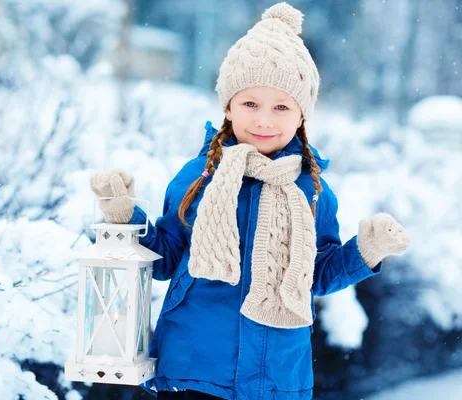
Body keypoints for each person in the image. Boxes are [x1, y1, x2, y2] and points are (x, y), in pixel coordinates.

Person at [89, 2, 410, 399]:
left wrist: (366, 251)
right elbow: (166, 258)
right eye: (250, 104)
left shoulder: (312, 191)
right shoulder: (198, 177)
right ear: (228, 106)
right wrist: (124, 217)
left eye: (280, 107)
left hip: (276, 378)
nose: (264, 120)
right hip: (193, 369)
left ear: (301, 115)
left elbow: (317, 275)